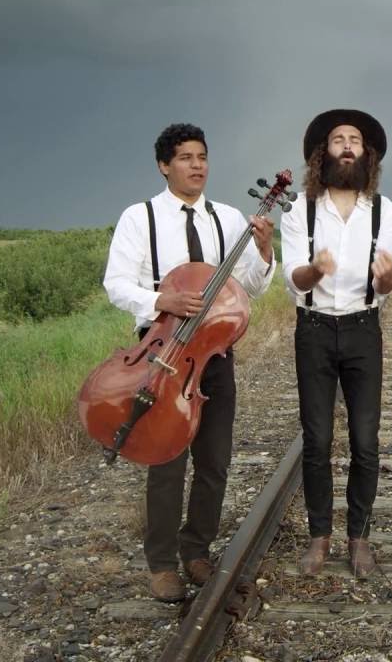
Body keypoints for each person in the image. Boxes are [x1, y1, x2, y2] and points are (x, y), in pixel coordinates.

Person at [102, 123, 276, 602]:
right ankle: (161, 564)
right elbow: (116, 283)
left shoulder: (228, 218)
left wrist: (264, 251)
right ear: (164, 165)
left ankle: (196, 550)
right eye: (185, 157)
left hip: (214, 355)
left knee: (215, 461)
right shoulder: (140, 218)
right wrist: (163, 300)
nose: (197, 165)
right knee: (167, 460)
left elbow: (251, 287)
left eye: (202, 156)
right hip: (162, 356)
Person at [281, 109, 392, 579]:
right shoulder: (300, 209)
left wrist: (387, 277)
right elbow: (294, 277)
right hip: (313, 330)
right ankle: (320, 537)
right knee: (316, 439)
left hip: (362, 329)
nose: (348, 145)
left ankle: (359, 538)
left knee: (365, 440)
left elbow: (389, 283)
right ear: (323, 154)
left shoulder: (385, 211)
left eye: (355, 140)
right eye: (338, 139)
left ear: (366, 154)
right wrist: (315, 270)